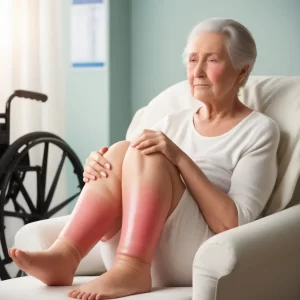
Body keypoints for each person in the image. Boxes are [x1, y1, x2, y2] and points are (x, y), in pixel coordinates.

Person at [9, 18, 280, 300]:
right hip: (139, 240)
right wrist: (98, 169)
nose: (198, 71)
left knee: (146, 152)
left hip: (196, 252)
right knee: (119, 150)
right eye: (192, 60)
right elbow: (126, 169)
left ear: (242, 70)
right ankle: (66, 255)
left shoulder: (259, 130)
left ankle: (133, 267)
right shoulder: (170, 122)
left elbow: (234, 224)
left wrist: (179, 158)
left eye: (211, 60)